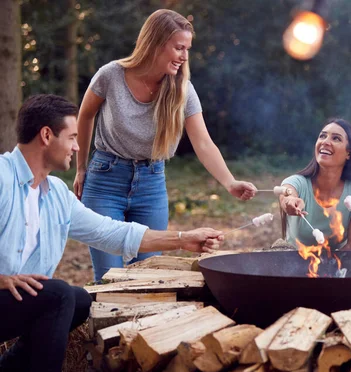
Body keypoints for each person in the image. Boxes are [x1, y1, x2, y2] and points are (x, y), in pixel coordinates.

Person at [0, 94, 225, 372]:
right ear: (46, 135)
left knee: (77, 300)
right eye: (73, 138)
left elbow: (112, 232)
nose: (79, 147)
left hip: (12, 304)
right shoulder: (2, 177)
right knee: (59, 295)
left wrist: (183, 239)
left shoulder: (57, 197)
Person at [74, 9, 256, 281]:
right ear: (156, 44)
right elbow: (85, 114)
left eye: (187, 49)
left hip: (151, 185)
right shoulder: (111, 75)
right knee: (109, 278)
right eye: (179, 48)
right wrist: (81, 168)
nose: (184, 56)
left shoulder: (182, 89)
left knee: (147, 277)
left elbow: (203, 143)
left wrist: (229, 182)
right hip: (105, 182)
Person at [280, 118, 351, 250]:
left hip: (336, 264)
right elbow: (287, 193)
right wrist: (289, 202)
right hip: (293, 263)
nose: (326, 142)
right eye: (322, 136)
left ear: (349, 153)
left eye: (336, 138)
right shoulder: (297, 182)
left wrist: (333, 269)